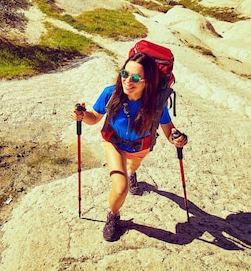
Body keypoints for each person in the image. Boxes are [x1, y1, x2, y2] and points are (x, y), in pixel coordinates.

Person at [70, 52, 188, 242]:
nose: (127, 80)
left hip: (140, 148)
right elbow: (94, 117)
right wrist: (82, 115)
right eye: (125, 74)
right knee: (121, 187)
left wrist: (176, 138)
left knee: (132, 168)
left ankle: (132, 174)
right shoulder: (111, 93)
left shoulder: (156, 102)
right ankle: (113, 216)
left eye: (135, 78)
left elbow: (168, 128)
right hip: (113, 142)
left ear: (147, 81)